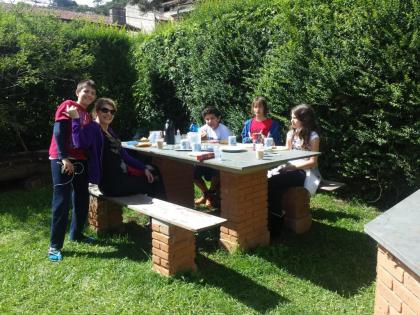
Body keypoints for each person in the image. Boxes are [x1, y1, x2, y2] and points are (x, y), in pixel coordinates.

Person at [71, 98, 166, 199]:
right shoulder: (93, 128)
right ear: (97, 111)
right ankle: (162, 212)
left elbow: (125, 156)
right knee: (153, 181)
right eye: (105, 110)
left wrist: (143, 168)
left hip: (121, 177)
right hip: (111, 184)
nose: (109, 114)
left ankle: (159, 211)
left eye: (112, 112)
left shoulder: (110, 131)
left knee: (153, 170)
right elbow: (79, 143)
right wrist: (75, 119)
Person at [48, 79, 97, 262]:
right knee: (62, 202)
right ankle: (54, 246)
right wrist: (63, 157)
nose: (89, 95)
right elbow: (59, 132)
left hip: (81, 161)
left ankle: (76, 234)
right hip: (63, 160)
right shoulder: (68, 105)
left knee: (82, 199)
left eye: (92, 93)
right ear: (78, 92)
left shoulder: (87, 115)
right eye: (86, 91)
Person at [267, 104, 322, 232]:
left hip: (304, 172)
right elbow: (287, 150)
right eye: (291, 117)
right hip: (289, 168)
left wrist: (293, 167)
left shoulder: (313, 136)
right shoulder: (291, 133)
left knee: (272, 183)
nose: (291, 120)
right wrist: (271, 147)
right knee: (269, 182)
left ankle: (276, 219)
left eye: (295, 118)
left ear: (305, 119)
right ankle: (275, 217)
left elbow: (313, 162)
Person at [194, 106, 231, 208]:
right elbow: (195, 145)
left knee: (217, 171)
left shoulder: (224, 130)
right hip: (205, 159)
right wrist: (199, 140)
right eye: (207, 119)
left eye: (212, 118)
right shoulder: (202, 129)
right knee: (193, 173)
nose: (210, 121)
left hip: (219, 160)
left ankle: (208, 197)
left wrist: (209, 141)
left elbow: (227, 145)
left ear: (218, 118)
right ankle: (207, 194)